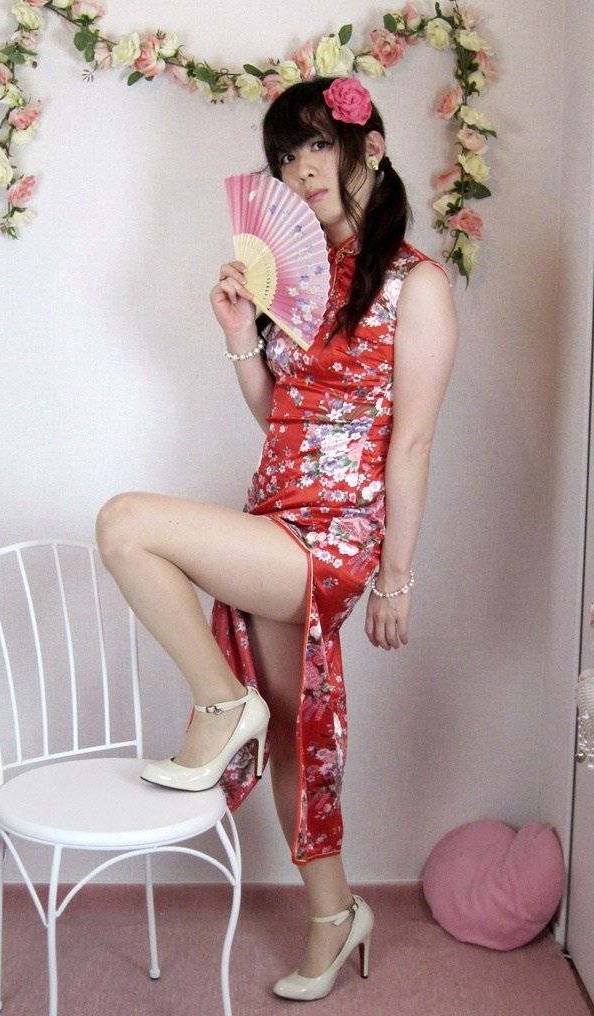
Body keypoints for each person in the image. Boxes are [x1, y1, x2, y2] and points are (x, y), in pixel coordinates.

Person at [96, 76, 458, 1002]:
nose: (300, 171)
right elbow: (280, 418)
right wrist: (237, 333)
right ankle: (336, 916)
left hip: (337, 539)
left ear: (370, 148)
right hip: (275, 515)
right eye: (285, 157)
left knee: (125, 523)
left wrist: (397, 578)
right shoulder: (296, 278)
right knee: (298, 734)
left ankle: (222, 706)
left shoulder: (416, 284)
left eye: (316, 146)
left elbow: (412, 442)